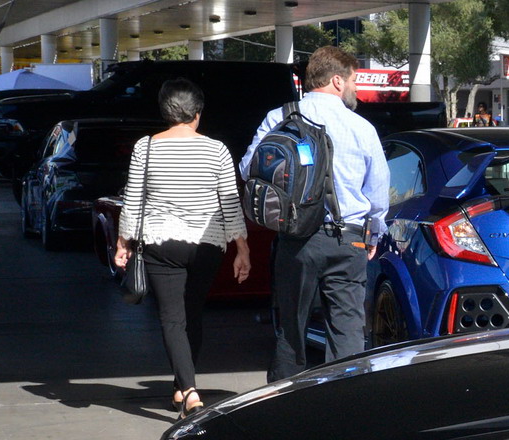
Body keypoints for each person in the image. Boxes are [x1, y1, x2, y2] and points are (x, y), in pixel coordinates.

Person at [242, 45, 390, 381]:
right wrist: (373, 234)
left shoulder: (279, 117)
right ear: (337, 81)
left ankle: (283, 404)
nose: (354, 89)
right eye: (352, 81)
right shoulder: (361, 127)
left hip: (295, 240)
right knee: (347, 329)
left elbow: (248, 168)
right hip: (348, 241)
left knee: (291, 328)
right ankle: (345, 407)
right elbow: (379, 193)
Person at [115, 79, 251, 416]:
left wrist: (123, 242)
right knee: (193, 314)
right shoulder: (217, 149)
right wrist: (242, 248)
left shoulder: (145, 148)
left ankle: (187, 389)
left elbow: (132, 201)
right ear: (197, 113)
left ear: (166, 111)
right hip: (207, 244)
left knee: (172, 319)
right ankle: (184, 386)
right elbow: (230, 203)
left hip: (162, 243)